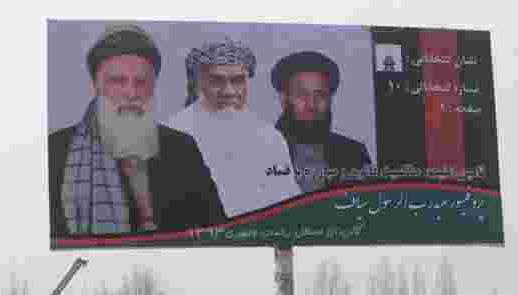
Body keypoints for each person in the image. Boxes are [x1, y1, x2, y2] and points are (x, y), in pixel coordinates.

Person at [49, 24, 227, 237]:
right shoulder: (57, 150)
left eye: (141, 81)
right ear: (95, 85)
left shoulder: (181, 147)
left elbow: (216, 230)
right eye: (118, 81)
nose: (131, 93)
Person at [166, 39, 301, 218]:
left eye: (238, 81)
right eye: (217, 81)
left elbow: (287, 201)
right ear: (198, 83)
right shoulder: (174, 134)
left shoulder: (269, 137)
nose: (229, 91)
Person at [270, 51, 373, 193]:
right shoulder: (261, 150)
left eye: (321, 95)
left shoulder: (354, 155)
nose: (312, 105)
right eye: (302, 95)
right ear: (284, 99)